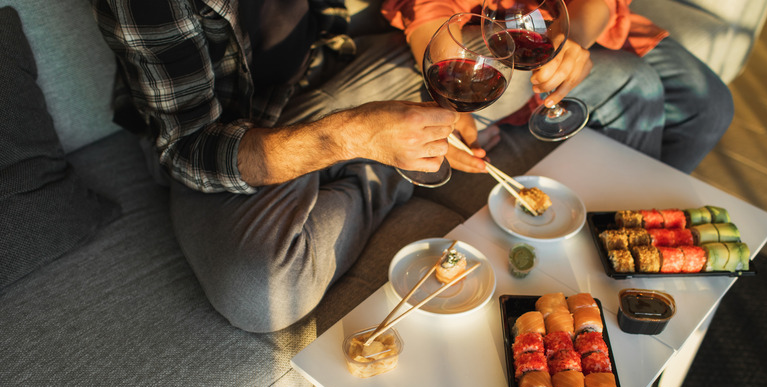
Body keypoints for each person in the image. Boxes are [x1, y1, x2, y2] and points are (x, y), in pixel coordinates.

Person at [90, 0, 552, 333]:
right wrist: (349, 136)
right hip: (227, 139)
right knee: (260, 294)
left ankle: (387, 150)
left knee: (498, 64)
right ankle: (384, 165)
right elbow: (189, 149)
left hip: (322, 78)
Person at [383, 0, 734, 173]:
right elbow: (431, 11)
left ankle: (653, 212)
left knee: (712, 107)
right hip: (491, 28)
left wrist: (573, 40)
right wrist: (451, 97)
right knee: (636, 85)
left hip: (576, 21)